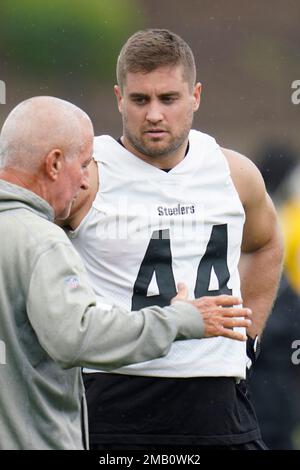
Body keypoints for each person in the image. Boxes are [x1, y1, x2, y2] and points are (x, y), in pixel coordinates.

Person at [62, 29, 283, 450]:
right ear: (119, 99)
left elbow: (266, 243)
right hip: (117, 397)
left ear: (195, 96)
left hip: (219, 403)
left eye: (168, 99)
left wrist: (248, 336)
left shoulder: (233, 173)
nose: (154, 115)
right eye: (140, 100)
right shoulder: (87, 175)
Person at [0, 96, 252, 450]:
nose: (87, 181)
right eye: (85, 164)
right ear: (54, 163)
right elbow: (76, 335)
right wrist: (181, 320)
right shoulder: (43, 242)